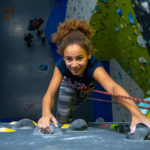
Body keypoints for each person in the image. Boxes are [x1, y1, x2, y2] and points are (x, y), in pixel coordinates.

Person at [37, 19, 150, 134]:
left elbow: (113, 88)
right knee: (62, 119)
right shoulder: (61, 65)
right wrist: (46, 113)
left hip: (84, 91)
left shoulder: (93, 66)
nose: (74, 65)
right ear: (63, 57)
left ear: (89, 54)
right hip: (68, 88)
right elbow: (50, 93)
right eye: (69, 59)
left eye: (80, 58)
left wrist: (137, 114)